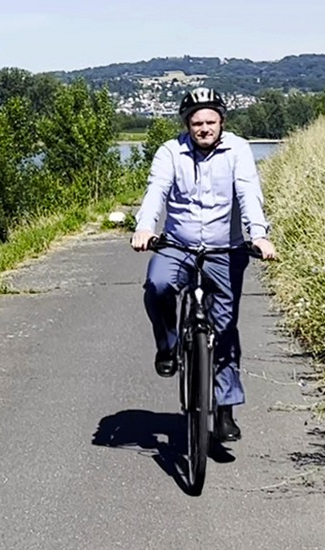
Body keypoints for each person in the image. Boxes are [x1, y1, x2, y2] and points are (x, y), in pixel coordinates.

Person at [131, 87, 277, 442]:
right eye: (197, 122)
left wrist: (258, 234)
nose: (204, 128)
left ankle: (224, 410)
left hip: (225, 249)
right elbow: (156, 191)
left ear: (222, 121)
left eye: (211, 121)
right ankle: (167, 345)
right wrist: (145, 227)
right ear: (187, 124)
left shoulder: (238, 150)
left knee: (224, 327)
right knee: (158, 286)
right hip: (177, 244)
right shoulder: (171, 151)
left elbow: (248, 193)